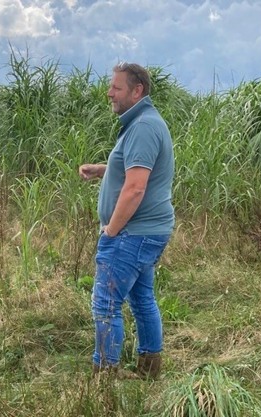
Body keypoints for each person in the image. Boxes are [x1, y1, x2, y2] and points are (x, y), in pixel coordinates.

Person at [79, 62, 175, 380]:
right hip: (146, 231)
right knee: (141, 297)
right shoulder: (143, 122)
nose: (109, 92)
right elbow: (136, 171)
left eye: (116, 87)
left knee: (105, 302)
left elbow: (135, 188)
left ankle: (105, 376)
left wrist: (111, 231)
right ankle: (150, 369)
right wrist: (102, 170)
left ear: (137, 91)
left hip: (133, 233)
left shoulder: (143, 127)